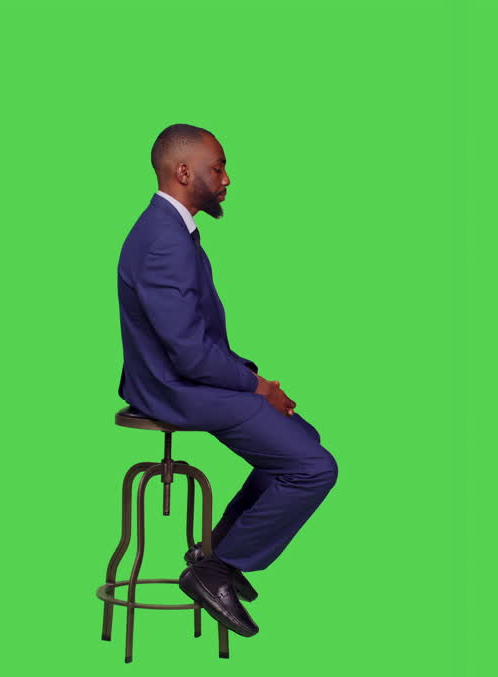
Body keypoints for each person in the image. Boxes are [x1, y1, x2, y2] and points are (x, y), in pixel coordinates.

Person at [116, 123, 338, 637]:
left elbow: (195, 336)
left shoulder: (170, 231)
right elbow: (191, 354)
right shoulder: (162, 242)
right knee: (314, 468)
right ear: (183, 171)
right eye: (217, 168)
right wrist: (258, 388)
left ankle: (213, 553)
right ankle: (215, 569)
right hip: (176, 388)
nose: (226, 178)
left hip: (187, 376)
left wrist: (250, 374)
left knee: (302, 443)